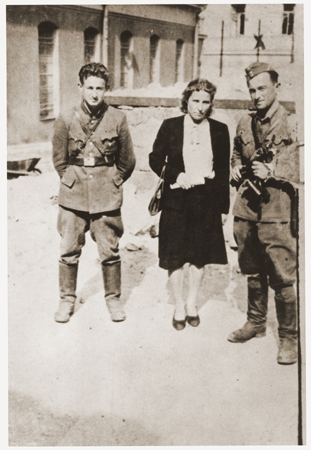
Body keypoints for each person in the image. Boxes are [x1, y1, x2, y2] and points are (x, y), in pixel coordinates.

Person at [227, 62, 299, 365]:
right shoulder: (245, 122)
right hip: (246, 208)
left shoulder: (294, 123)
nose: (256, 95)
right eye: (252, 90)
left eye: (262, 89)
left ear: (276, 88)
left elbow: (302, 165)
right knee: (251, 269)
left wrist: (274, 170)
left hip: (276, 210)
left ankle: (289, 338)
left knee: (282, 277)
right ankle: (256, 322)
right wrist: (233, 166)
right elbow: (236, 151)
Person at [52, 62, 136, 323]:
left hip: (105, 196)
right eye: (90, 87)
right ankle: (67, 300)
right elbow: (58, 158)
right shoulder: (66, 117)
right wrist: (70, 181)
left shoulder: (117, 118)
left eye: (100, 88)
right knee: (68, 250)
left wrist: (114, 180)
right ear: (81, 88)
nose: (95, 93)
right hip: (73, 196)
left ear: (106, 89)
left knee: (109, 251)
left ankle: (113, 299)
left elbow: (127, 160)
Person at [149, 79, 230, 330]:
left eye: (206, 102)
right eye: (195, 101)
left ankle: (192, 302)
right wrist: (176, 175)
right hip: (176, 199)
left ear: (211, 104)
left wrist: (223, 208)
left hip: (205, 200)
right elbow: (154, 158)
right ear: (186, 101)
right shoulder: (170, 126)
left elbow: (224, 170)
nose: (200, 107)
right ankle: (178, 305)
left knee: (198, 255)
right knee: (175, 256)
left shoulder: (219, 129)